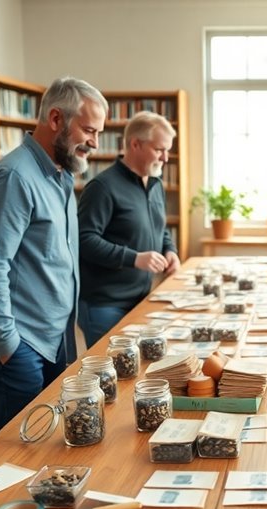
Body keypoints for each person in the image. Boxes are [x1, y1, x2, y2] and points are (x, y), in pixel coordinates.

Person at [0, 77, 107, 434]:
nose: (95, 142)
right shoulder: (15, 177)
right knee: (20, 450)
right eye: (88, 130)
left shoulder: (60, 175)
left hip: (52, 336)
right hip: (17, 341)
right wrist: (9, 346)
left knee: (52, 439)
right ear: (56, 119)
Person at [77, 111, 180, 347]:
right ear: (135, 144)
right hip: (105, 304)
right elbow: (84, 240)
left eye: (167, 150)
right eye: (159, 150)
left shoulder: (155, 184)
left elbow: (158, 228)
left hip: (142, 298)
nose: (165, 158)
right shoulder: (102, 187)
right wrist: (134, 259)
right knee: (112, 375)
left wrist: (169, 250)